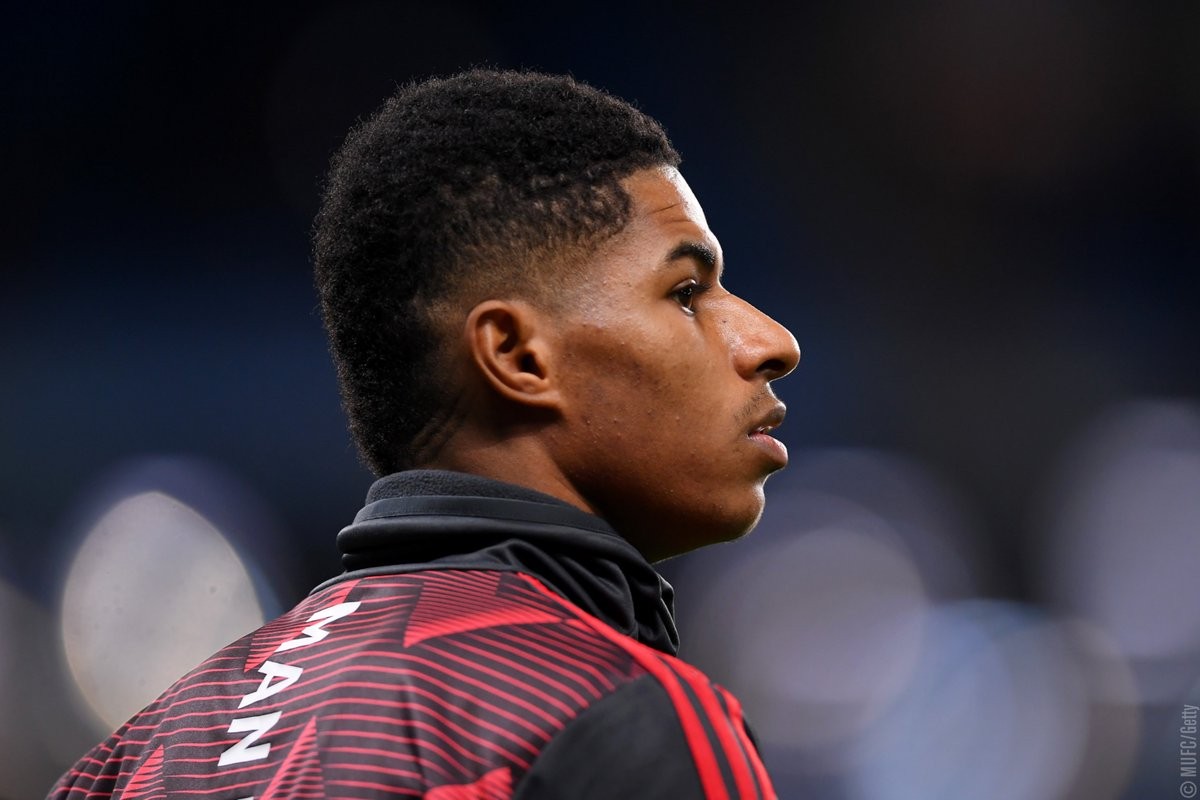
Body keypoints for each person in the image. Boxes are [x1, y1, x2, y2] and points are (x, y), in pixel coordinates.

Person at [49, 69, 799, 799]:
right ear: (517, 356)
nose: (772, 342)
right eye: (687, 293)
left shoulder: (122, 763)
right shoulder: (608, 717)